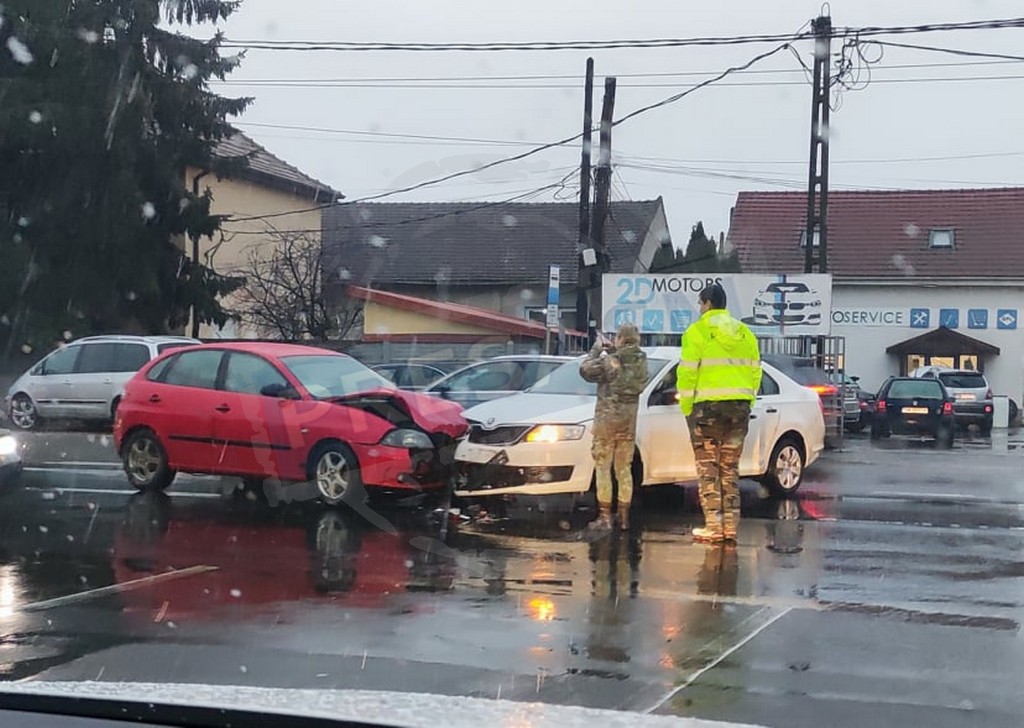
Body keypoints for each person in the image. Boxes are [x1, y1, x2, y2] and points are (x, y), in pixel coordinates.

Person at [677, 283, 762, 543]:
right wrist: (748, 402)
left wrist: (687, 408)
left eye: (700, 303)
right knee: (730, 468)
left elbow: (688, 372)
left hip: (708, 409)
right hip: (739, 407)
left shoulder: (697, 331)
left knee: (708, 469)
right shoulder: (745, 333)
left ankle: (714, 526)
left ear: (708, 303)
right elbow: (756, 371)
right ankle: (731, 528)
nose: (700, 308)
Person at [579, 322, 648, 531]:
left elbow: (585, 370)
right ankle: (624, 517)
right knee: (623, 470)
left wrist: (598, 349)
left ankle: (605, 516)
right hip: (628, 425)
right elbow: (634, 376)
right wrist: (613, 352)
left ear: (620, 338)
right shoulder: (642, 361)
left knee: (603, 469)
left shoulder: (610, 361)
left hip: (606, 425)